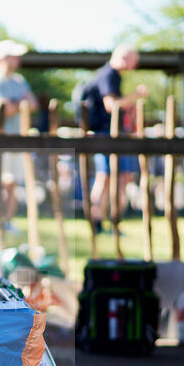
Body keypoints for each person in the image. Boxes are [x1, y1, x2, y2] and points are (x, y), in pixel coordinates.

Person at [79, 44, 148, 233]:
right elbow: (112, 105)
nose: (134, 66)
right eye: (134, 61)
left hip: (114, 133)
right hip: (105, 133)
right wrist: (136, 95)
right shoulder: (108, 74)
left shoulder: (112, 75)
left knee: (122, 177)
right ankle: (97, 220)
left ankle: (112, 221)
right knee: (105, 177)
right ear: (125, 58)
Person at [0, 39, 38, 228]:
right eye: (14, 56)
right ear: (3, 58)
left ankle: (8, 220)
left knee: (12, 181)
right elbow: (5, 109)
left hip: (16, 136)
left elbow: (33, 104)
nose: (18, 59)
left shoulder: (19, 80)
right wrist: (20, 104)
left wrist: (17, 104)